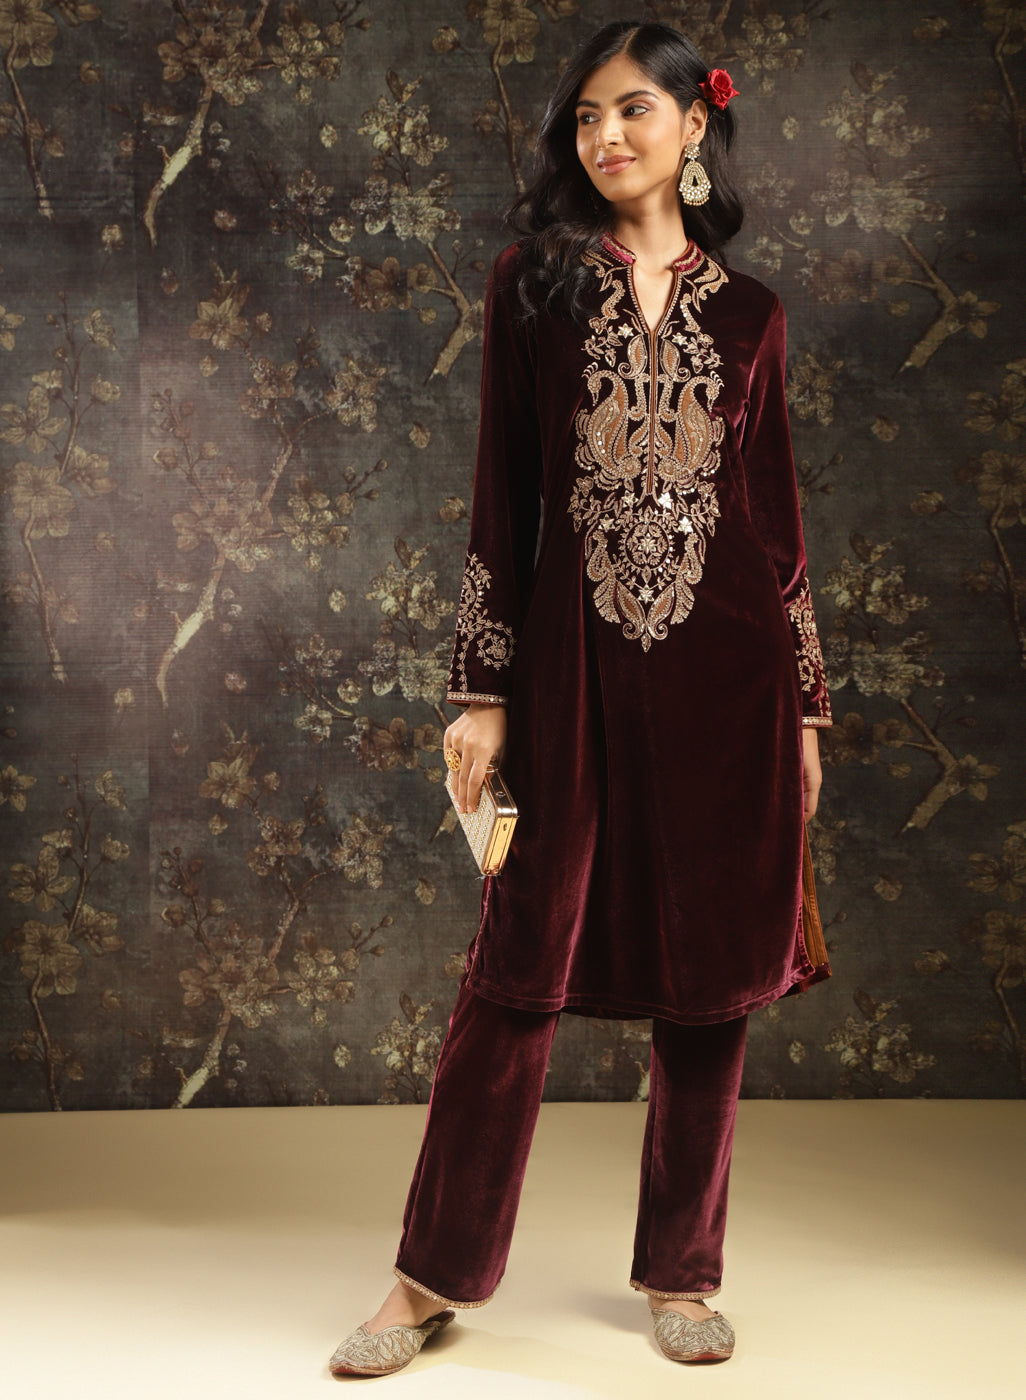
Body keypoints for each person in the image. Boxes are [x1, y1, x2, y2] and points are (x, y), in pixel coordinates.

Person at [329, 19, 831, 1378]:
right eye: (585, 119)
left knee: (709, 988)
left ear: (692, 125)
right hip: (567, 678)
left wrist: (802, 709)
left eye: (630, 112)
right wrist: (481, 691)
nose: (603, 137)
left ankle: (683, 1269)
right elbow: (502, 497)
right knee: (514, 969)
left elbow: (775, 525)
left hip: (729, 682)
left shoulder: (752, 313)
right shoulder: (534, 285)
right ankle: (426, 1279)